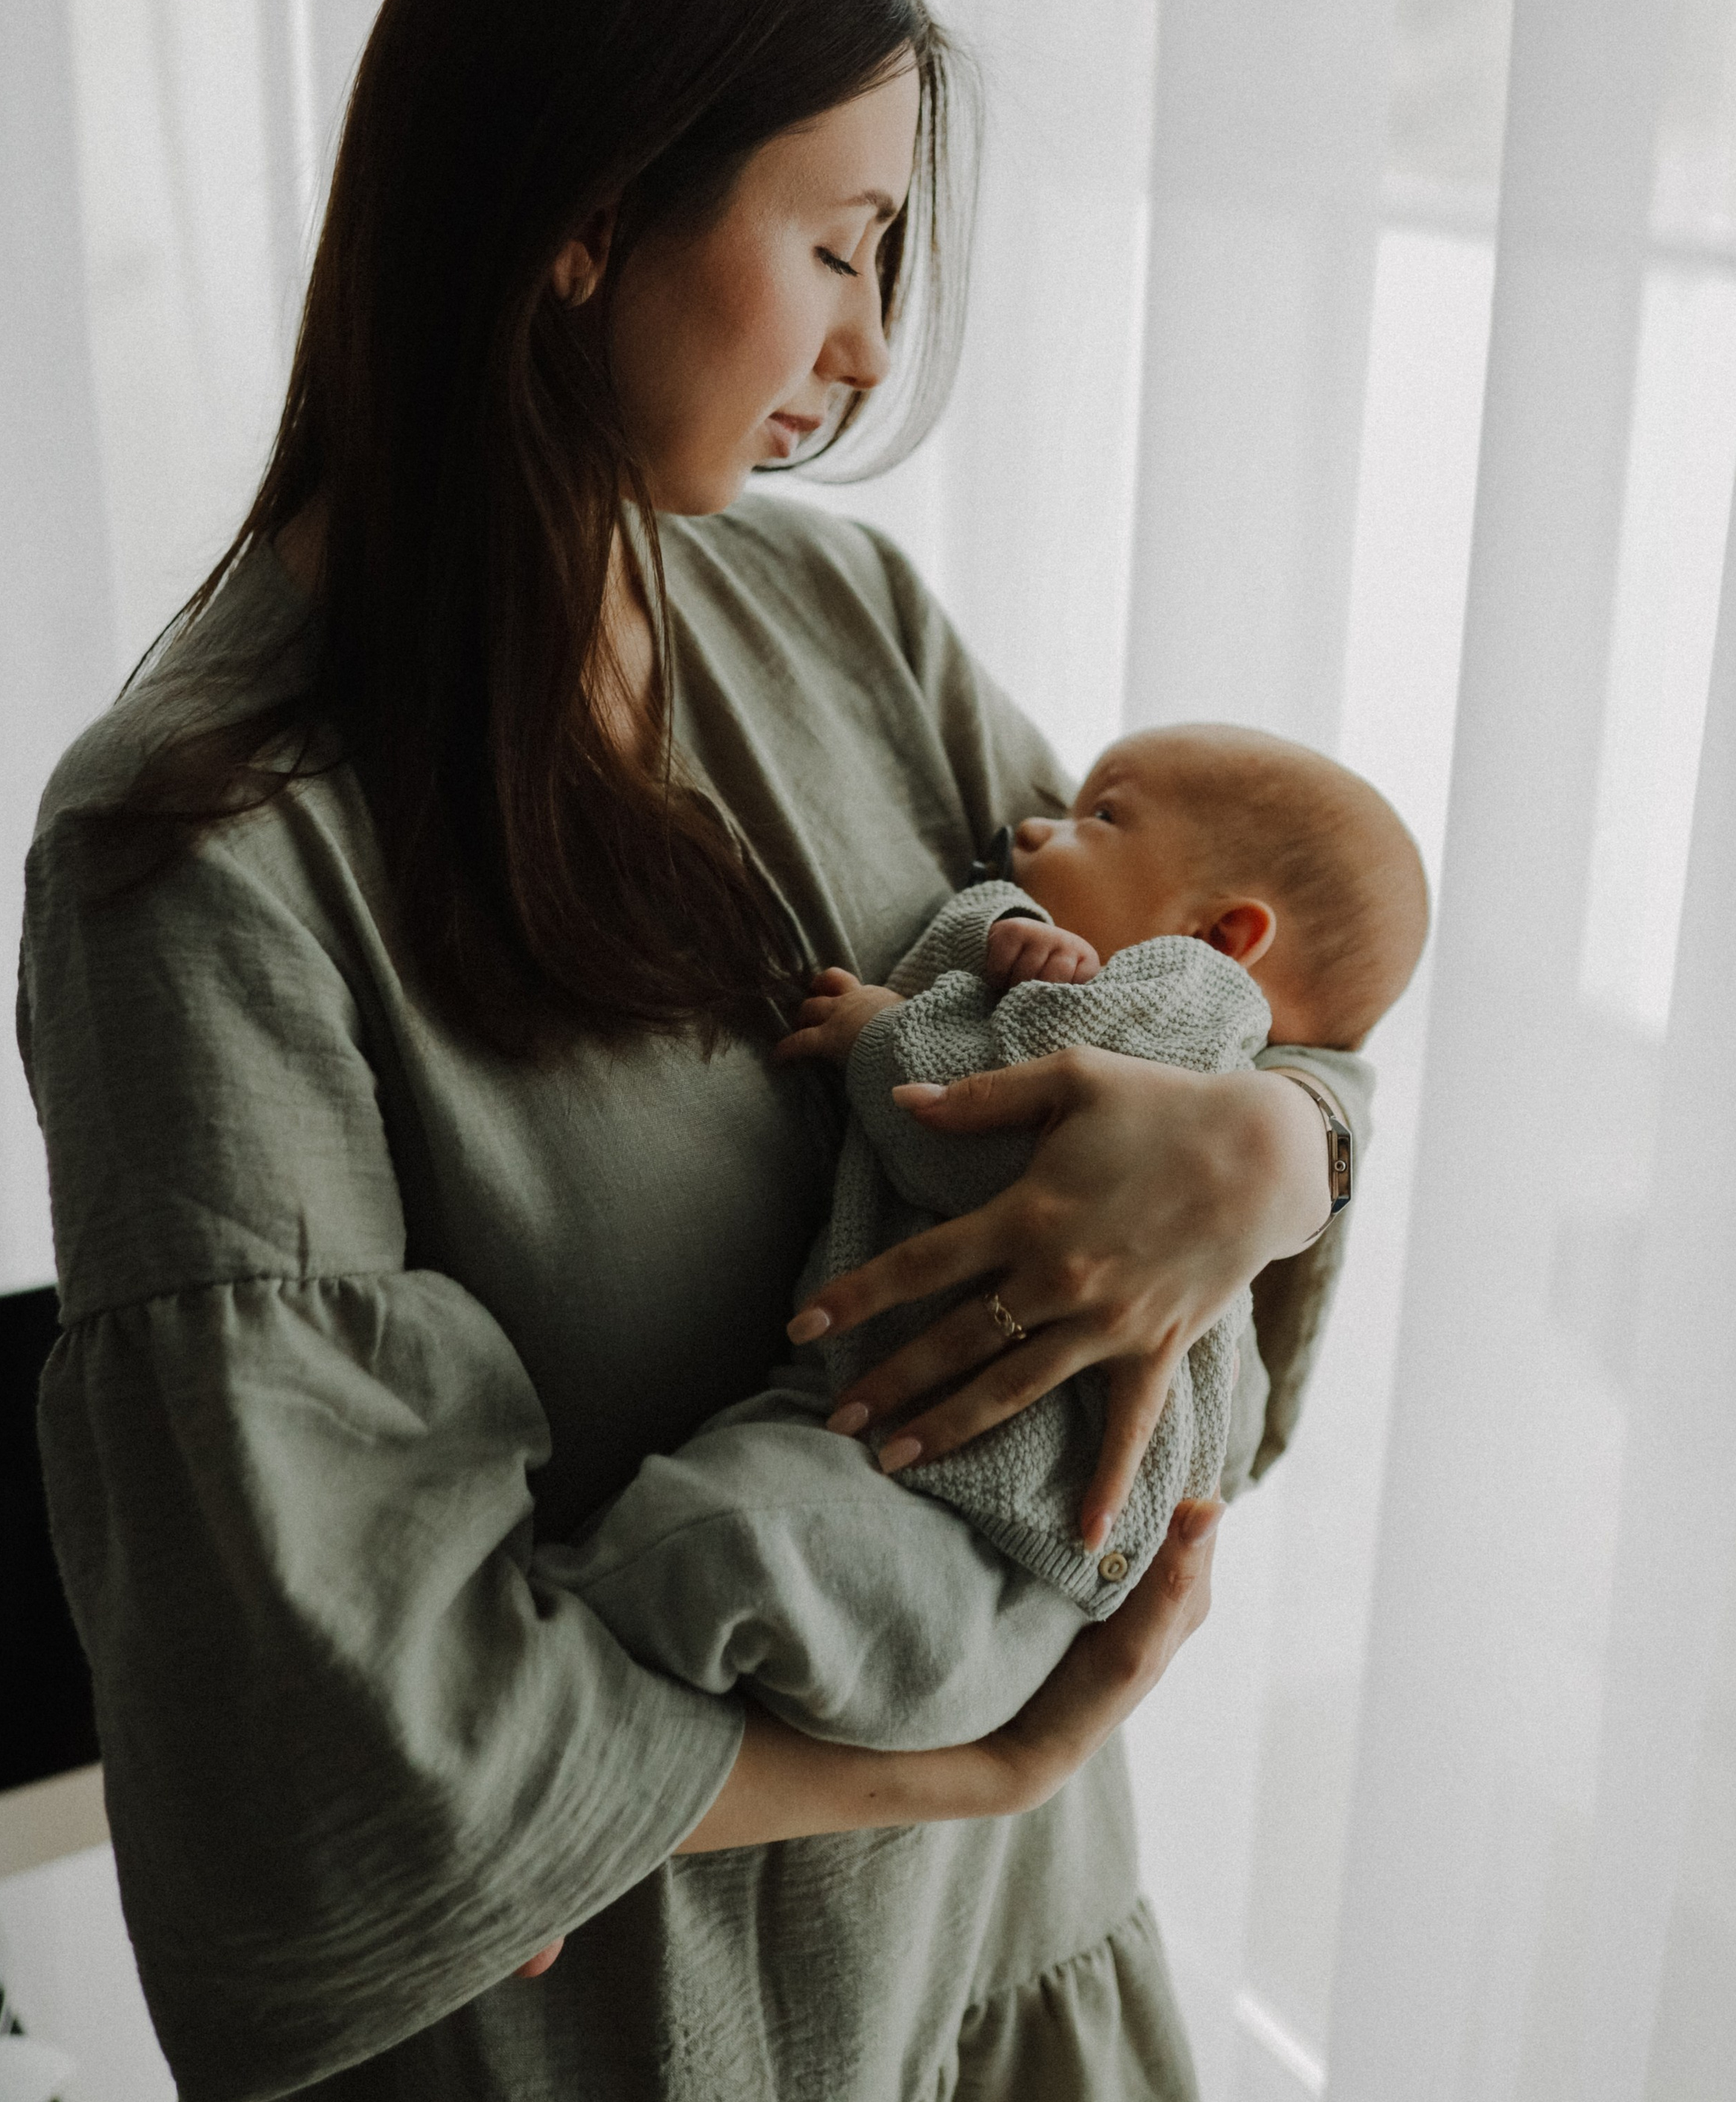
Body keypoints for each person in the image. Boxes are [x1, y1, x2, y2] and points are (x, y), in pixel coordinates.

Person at [19, 0, 1373, 2102]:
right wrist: (952, 1773)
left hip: (1013, 1976)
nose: (862, 350)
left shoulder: (843, 621)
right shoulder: (204, 861)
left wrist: (1259, 1157)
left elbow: (1253, 999)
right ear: (581, 222)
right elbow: (347, 1730)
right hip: (653, 2048)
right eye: (841, 247)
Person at [537, 725, 1424, 1747]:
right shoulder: (1162, 1015)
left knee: (713, 1544)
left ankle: (522, 1724)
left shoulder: (1188, 1005)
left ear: (1224, 938)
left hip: (969, 1523)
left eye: (1100, 815)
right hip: (986, 1549)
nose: (1031, 826)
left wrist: (884, 1035)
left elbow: (984, 1141)